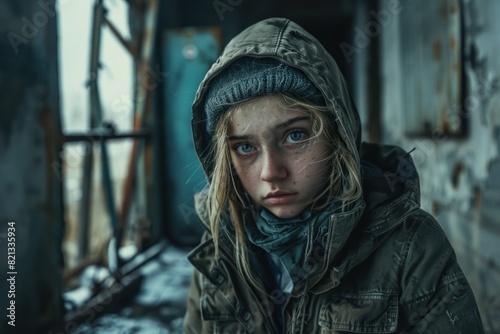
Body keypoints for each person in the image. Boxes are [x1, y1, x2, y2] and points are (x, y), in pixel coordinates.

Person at [183, 17, 485, 333]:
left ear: (337, 137)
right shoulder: (220, 252)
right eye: (245, 147)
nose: (271, 172)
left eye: (295, 136)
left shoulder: (411, 247)